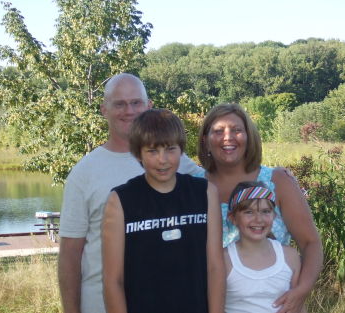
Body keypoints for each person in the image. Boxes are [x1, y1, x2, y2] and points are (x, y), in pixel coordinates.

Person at [58, 73, 203, 313]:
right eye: (119, 104)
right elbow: (70, 255)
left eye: (136, 102)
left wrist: (270, 176)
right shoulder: (84, 173)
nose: (129, 110)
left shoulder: (177, 162)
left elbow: (222, 189)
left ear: (149, 106)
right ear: (104, 109)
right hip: (100, 304)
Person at [197, 103, 323, 313]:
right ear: (205, 140)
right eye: (218, 131)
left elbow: (311, 243)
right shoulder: (193, 187)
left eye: (237, 130)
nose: (228, 137)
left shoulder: (277, 181)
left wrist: (301, 291)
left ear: (249, 136)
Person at [102, 109, 225, 313]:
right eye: (152, 151)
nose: (162, 159)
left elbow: (215, 267)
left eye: (170, 149)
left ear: (181, 149)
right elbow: (113, 280)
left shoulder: (205, 192)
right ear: (137, 153)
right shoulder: (120, 200)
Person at [225, 181, 304, 313]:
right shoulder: (224, 260)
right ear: (233, 218)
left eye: (265, 211)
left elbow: (298, 307)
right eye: (249, 212)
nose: (259, 219)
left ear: (274, 215)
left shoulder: (290, 257)